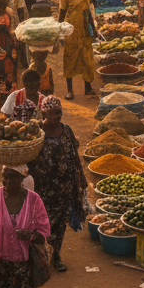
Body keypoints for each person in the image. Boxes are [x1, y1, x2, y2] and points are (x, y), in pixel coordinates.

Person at [30, 96, 85, 272]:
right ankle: (41, 256)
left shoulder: (66, 130)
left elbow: (74, 154)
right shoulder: (37, 130)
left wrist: (81, 177)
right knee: (42, 221)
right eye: (54, 113)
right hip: (43, 186)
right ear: (44, 112)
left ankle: (56, 255)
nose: (58, 116)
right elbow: (29, 157)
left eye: (59, 112)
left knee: (60, 222)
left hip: (64, 185)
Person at [58, 0, 98, 101]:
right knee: (70, 58)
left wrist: (93, 28)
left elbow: (87, 10)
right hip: (71, 29)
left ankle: (88, 87)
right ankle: (70, 90)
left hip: (84, 28)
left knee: (87, 59)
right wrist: (60, 32)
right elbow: (62, 13)